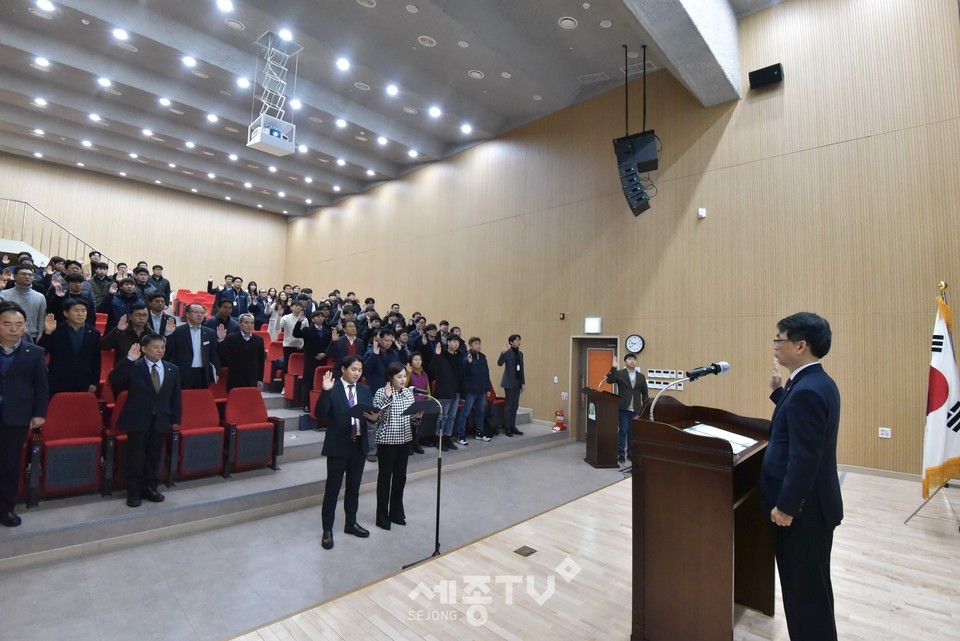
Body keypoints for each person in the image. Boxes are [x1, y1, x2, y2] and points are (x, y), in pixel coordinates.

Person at [763, 312, 842, 641]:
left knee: (805, 596)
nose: (776, 347)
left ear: (801, 345)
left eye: (779, 339)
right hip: (813, 509)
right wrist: (779, 392)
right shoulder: (813, 383)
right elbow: (801, 427)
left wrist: (787, 506)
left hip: (803, 514)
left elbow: (805, 456)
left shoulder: (808, 390)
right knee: (812, 590)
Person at [109, 334, 181, 508]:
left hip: (161, 420)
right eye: (155, 347)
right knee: (136, 457)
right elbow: (114, 380)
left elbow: (175, 397)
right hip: (138, 419)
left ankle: (150, 488)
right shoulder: (135, 366)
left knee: (154, 456)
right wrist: (128, 360)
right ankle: (133, 491)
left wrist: (176, 418)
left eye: (162, 347)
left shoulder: (172, 369)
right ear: (144, 349)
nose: (160, 350)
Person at [315, 357, 380, 550]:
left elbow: (370, 416)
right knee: (332, 490)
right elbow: (320, 414)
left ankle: (350, 523)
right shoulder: (332, 388)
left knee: (353, 489)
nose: (357, 373)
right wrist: (325, 392)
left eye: (360, 369)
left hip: (358, 445)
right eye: (353, 369)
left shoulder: (364, 390)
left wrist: (374, 419)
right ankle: (327, 530)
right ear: (343, 369)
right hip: (338, 446)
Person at [0, 301, 48, 527]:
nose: (12, 329)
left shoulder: (34, 352)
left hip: (17, 416)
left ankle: (6, 508)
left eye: (18, 324)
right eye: (7, 324)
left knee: (10, 464)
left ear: (25, 326)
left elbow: (41, 385)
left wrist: (39, 413)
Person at [372, 362, 420, 530]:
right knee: (385, 479)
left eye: (404, 376)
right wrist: (387, 398)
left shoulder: (408, 393)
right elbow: (377, 418)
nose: (402, 379)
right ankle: (382, 516)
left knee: (400, 478)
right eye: (399, 377)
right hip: (387, 442)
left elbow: (412, 420)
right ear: (390, 378)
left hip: (405, 441)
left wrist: (418, 417)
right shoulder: (381, 392)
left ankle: (396, 512)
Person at [38, 303, 101, 396]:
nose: (80, 314)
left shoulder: (94, 333)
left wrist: (94, 382)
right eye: (76, 310)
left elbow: (96, 359)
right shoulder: (56, 329)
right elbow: (42, 351)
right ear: (66, 313)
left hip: (83, 380)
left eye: (83, 311)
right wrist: (47, 333)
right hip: (58, 380)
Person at [164, 303, 223, 389]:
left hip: (202, 374)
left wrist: (217, 372)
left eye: (202, 313)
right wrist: (168, 334)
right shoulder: (178, 332)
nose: (199, 315)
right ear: (187, 314)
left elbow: (213, 355)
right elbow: (169, 352)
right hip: (183, 373)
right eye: (196, 312)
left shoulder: (210, 333)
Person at [605, 353, 649, 464]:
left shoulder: (641, 376)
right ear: (625, 362)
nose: (632, 361)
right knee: (623, 431)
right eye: (629, 359)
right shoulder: (620, 374)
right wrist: (613, 368)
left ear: (636, 362)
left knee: (632, 433)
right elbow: (609, 380)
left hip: (636, 409)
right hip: (623, 408)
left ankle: (630, 454)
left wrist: (645, 407)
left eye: (634, 359)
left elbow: (644, 393)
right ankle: (621, 454)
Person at [424, 333, 464, 451]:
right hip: (444, 391)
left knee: (452, 416)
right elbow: (432, 369)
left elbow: (462, 375)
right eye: (454, 341)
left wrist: (463, 392)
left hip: (456, 391)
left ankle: (447, 437)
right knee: (443, 416)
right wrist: (436, 355)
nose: (456, 344)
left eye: (458, 342)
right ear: (449, 342)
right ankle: (439, 438)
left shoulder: (460, 356)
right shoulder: (442, 354)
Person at [292, 307, 333, 409]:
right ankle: (306, 403)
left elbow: (330, 345)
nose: (320, 318)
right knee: (308, 381)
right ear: (313, 318)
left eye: (322, 317)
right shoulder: (307, 330)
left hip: (322, 359)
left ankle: (321, 404)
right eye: (318, 317)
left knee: (321, 381)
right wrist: (299, 322)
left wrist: (325, 353)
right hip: (310, 359)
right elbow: (296, 334)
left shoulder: (327, 332)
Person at [457, 337, 492, 444]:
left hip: (481, 390)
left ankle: (479, 433)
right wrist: (469, 363)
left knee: (480, 412)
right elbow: (464, 374)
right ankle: (461, 436)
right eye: (476, 344)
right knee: (465, 413)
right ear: (471, 345)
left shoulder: (483, 357)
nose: (478, 346)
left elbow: (486, 374)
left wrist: (488, 388)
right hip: (470, 391)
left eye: (479, 344)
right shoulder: (466, 357)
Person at [218, 313, 265, 390]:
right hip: (235, 378)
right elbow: (224, 357)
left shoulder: (259, 340)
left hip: (252, 379)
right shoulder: (231, 338)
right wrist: (221, 340)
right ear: (240, 323)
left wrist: (260, 379)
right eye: (246, 322)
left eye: (251, 323)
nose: (249, 325)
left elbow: (261, 361)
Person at [100, 303, 156, 367]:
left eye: (145, 315)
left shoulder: (152, 335)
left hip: (145, 371)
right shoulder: (121, 332)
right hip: (123, 370)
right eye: (138, 315)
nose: (142, 318)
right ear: (130, 316)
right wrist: (118, 330)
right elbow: (104, 346)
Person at [0, 265, 46, 340]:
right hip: (6, 334)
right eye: (23, 274)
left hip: (31, 336)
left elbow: (41, 320)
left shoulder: (40, 297)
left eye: (30, 275)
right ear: (14, 276)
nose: (27, 277)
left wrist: (40, 336)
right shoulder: (3, 294)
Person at [497, 334, 525, 436]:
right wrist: (502, 353)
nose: (519, 342)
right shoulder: (507, 353)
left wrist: (523, 383)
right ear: (511, 342)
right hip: (509, 382)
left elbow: (521, 369)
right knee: (509, 406)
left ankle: (513, 426)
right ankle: (507, 427)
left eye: (519, 340)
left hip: (517, 382)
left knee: (515, 405)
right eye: (516, 340)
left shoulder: (520, 354)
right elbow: (499, 363)